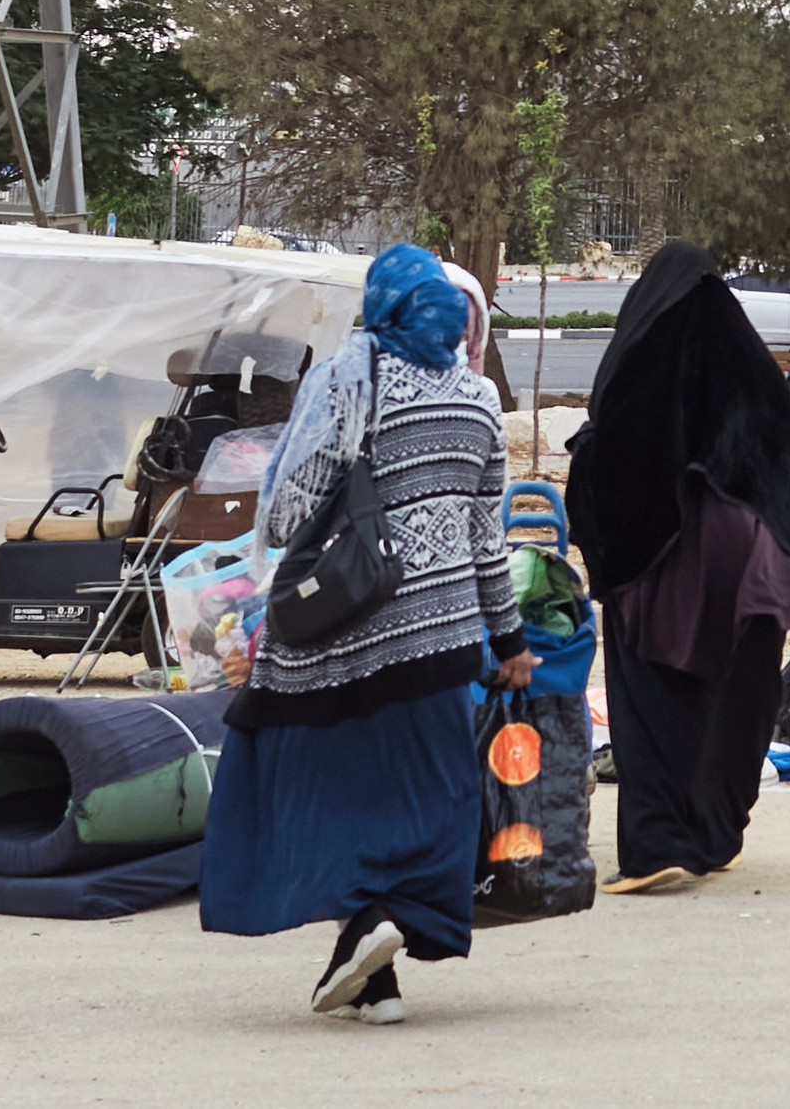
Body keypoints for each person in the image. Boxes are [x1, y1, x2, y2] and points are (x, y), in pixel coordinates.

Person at [200, 244, 538, 1025]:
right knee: (429, 802)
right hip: (447, 643)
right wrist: (510, 639)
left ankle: (363, 933)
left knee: (330, 797)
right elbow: (489, 538)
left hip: (344, 637)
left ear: (382, 309)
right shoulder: (479, 398)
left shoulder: (355, 379)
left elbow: (286, 513)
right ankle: (375, 978)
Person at [566, 242, 790, 895]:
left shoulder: (640, 360)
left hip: (665, 563)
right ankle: (718, 832)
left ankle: (658, 844)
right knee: (740, 692)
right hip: (751, 560)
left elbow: (616, 459)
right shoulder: (749, 366)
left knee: (653, 695)